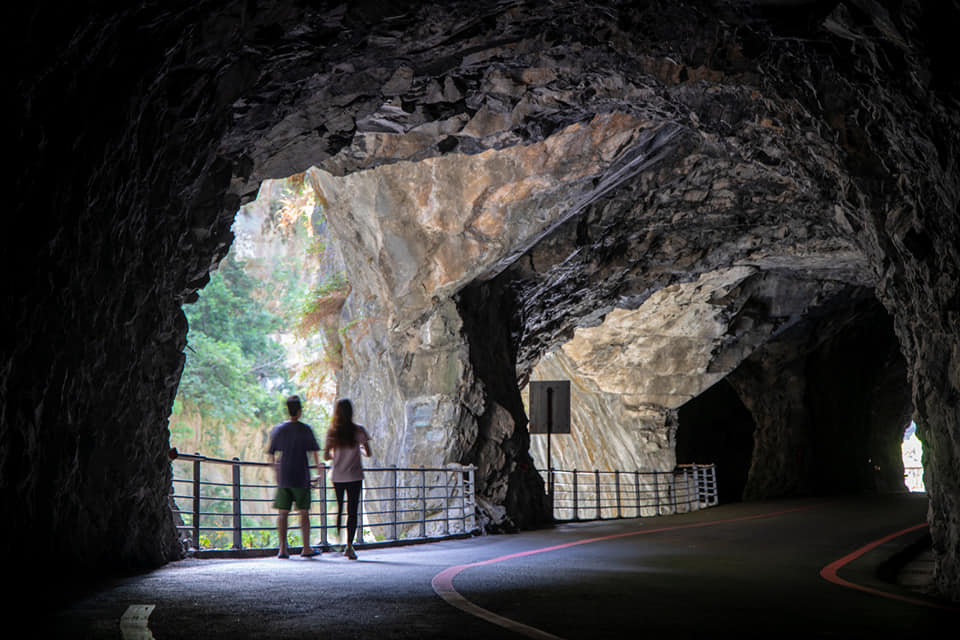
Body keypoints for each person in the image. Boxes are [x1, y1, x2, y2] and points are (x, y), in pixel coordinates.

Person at [268, 395, 321, 559]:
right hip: (301, 476)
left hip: (284, 476)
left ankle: (283, 549)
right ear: (299, 411)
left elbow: (271, 455)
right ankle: (306, 548)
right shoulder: (306, 429)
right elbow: (315, 454)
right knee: (304, 513)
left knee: (282, 513)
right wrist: (318, 473)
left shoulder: (279, 429)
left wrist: (276, 471)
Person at [324, 398, 372, 560]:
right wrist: (359, 450)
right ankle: (349, 546)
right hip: (354, 476)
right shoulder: (359, 430)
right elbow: (368, 453)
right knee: (352, 511)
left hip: (337, 476)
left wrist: (336, 455)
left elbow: (326, 455)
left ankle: (336, 539)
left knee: (339, 507)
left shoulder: (332, 432)